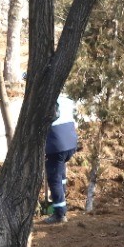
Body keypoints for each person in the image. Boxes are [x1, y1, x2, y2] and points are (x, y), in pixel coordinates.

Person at [44, 90, 79, 224]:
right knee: (60, 175)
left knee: (54, 179)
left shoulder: (45, 100)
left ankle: (59, 213)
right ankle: (62, 200)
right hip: (70, 142)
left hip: (56, 144)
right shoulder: (64, 99)